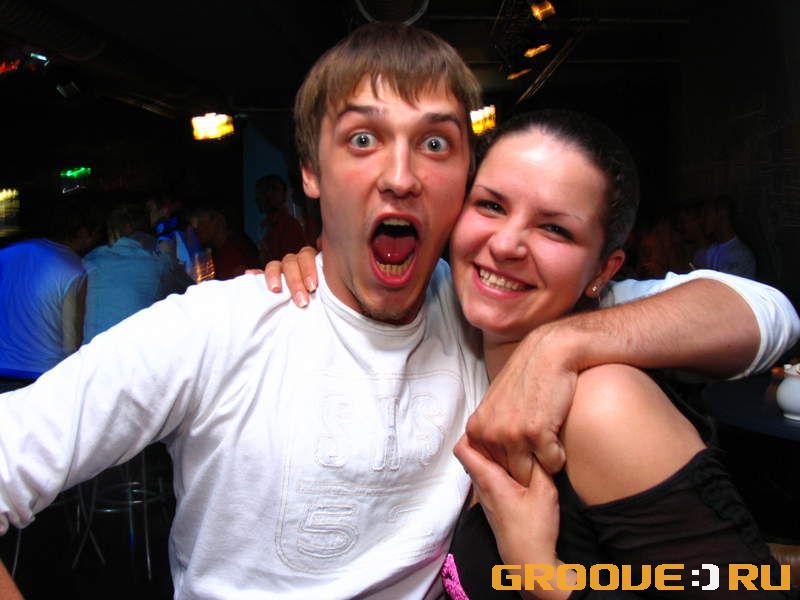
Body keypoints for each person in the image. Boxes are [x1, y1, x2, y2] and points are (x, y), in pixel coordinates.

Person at [0, 23, 797, 600]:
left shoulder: (493, 316)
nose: (402, 176)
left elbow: (767, 313)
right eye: (362, 141)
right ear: (311, 173)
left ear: (462, 183)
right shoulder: (216, 326)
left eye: (436, 144)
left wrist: (562, 348)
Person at [441, 110, 790, 598]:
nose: (504, 244)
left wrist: (539, 574)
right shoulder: (436, 314)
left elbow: (770, 311)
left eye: (555, 229)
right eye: (491, 205)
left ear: (604, 270)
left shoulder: (605, 404)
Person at [0, 197, 96, 384]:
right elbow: (71, 339)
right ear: (84, 232)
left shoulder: (8, 253)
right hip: (43, 375)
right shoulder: (74, 268)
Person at [82, 202, 192, 343]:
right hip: (136, 351)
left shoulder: (90, 260)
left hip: (91, 351)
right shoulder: (158, 264)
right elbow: (192, 295)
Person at [693, 194, 757, 279]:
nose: (701, 220)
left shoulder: (741, 255)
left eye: (706, 214)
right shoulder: (711, 250)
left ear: (722, 214)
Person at [188, 206, 260, 280]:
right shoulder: (219, 250)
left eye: (198, 221)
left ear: (217, 220)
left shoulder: (233, 250)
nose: (196, 228)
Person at [255, 174, 308, 263]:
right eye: (262, 191)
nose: (268, 194)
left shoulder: (289, 225)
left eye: (274, 189)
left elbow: (290, 261)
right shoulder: (266, 227)